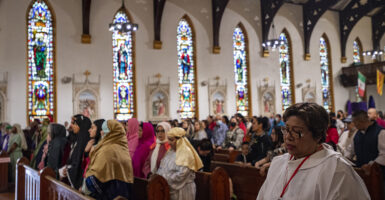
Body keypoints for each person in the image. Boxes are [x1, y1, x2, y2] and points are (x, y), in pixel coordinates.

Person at [257, 103, 370, 200]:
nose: (288, 137)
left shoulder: (336, 170)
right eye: (286, 129)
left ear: (317, 135)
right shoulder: (278, 163)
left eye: (297, 131)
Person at [82, 120, 134, 200]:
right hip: (124, 194)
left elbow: (95, 180)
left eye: (104, 130)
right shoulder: (122, 148)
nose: (101, 132)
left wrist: (86, 184)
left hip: (110, 195)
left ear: (111, 133)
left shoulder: (107, 150)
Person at [157, 127, 203, 200]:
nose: (168, 142)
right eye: (168, 139)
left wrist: (164, 178)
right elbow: (161, 167)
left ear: (180, 140)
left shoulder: (186, 154)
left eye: (171, 140)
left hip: (183, 189)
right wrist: (159, 178)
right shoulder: (170, 152)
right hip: (169, 187)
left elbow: (181, 176)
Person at [347, 111, 385, 182]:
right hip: (360, 175)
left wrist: (370, 165)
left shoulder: (380, 132)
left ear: (360, 121)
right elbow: (350, 150)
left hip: (377, 176)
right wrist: (346, 159)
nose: (354, 125)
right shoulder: (357, 134)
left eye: (355, 123)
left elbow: (384, 155)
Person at [60, 114, 91, 189]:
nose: (71, 125)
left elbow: (82, 164)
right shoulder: (76, 139)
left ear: (81, 126)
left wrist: (68, 170)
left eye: (74, 124)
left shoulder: (85, 142)